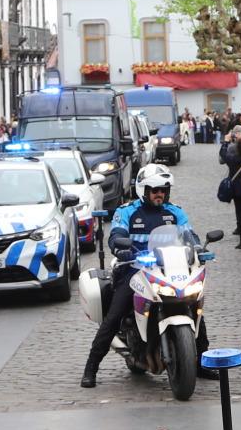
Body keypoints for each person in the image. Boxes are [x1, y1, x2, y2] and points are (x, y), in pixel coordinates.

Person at [82, 166, 194, 388]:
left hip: (169, 270)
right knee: (114, 316)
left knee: (191, 304)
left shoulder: (175, 212)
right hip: (134, 269)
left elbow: (190, 236)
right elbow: (117, 234)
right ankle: (91, 368)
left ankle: (199, 364)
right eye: (154, 190)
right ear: (143, 190)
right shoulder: (126, 211)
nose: (159, 194)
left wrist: (197, 247)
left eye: (163, 189)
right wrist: (119, 247)